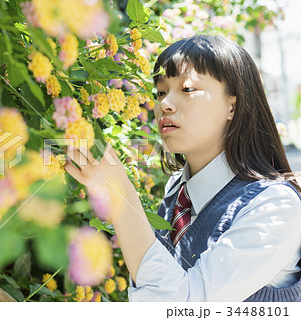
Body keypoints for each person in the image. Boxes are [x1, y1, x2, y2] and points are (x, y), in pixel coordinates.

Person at [63, 35, 301, 302]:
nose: (164, 104)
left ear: (232, 105)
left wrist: (120, 195)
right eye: (161, 92)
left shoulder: (274, 207)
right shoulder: (178, 188)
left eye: (187, 89)